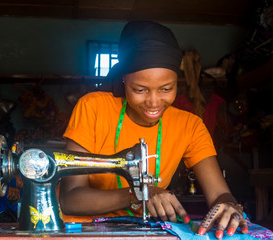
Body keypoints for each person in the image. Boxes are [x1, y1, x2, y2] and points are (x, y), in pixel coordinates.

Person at [59, 21, 248, 239]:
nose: (154, 102)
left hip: (142, 231)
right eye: (140, 90)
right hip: (82, 231)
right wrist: (137, 195)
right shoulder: (93, 108)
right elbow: (70, 198)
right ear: (123, 78)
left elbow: (220, 193)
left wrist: (228, 206)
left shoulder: (190, 126)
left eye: (166, 89)